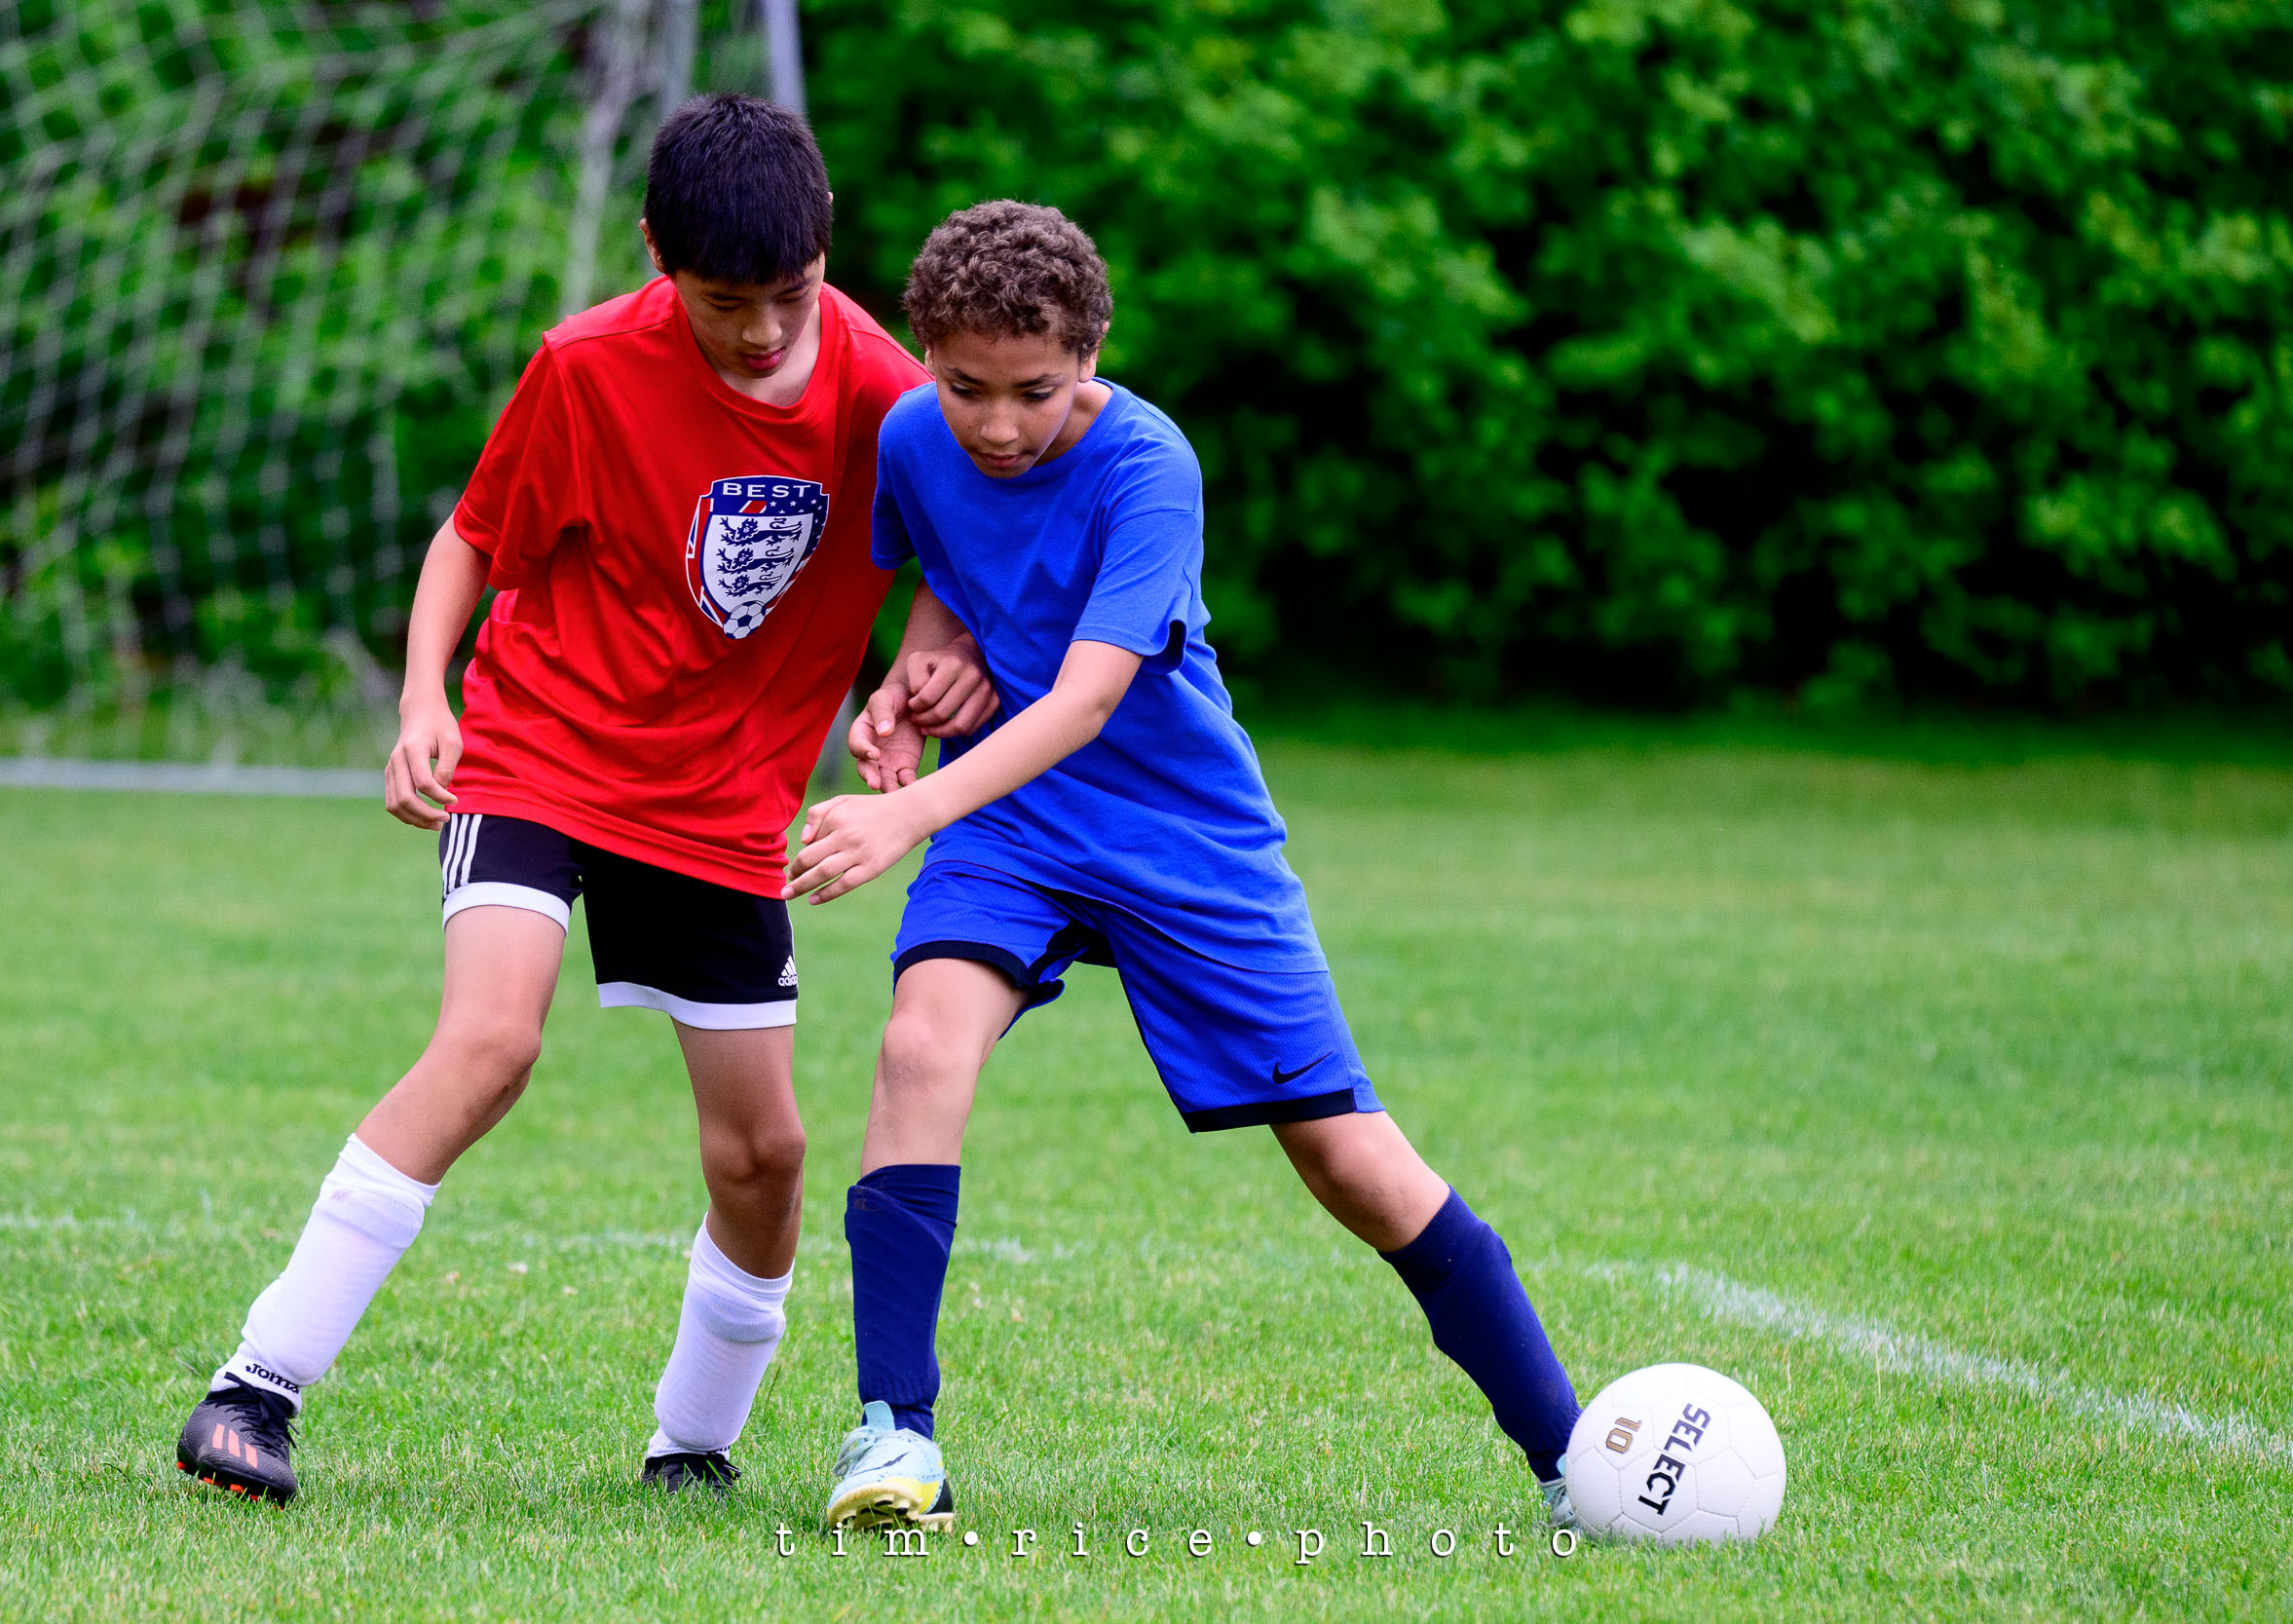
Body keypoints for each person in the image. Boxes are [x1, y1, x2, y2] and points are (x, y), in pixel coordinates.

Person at [171, 94, 996, 1505]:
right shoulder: (587, 365)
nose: (760, 331)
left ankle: (692, 1446)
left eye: (789, 293)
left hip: (723, 803)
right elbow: (471, 538)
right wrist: (424, 699)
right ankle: (255, 1389)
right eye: (723, 302)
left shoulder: (890, 396)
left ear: (827, 244)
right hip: (543, 749)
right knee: (491, 1044)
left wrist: (919, 670)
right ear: (657, 254)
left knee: (765, 1157)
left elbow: (964, 561)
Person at [786, 201, 1583, 1532]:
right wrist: (910, 685)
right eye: (966, 386)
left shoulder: (1150, 464)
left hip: (1180, 834)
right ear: (926, 358)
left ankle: (1569, 1458)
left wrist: (905, 814)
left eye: (1035, 391)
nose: (996, 424)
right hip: (1012, 823)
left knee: (1349, 1161)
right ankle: (893, 1438)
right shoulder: (913, 438)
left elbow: (1088, 697)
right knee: (919, 1048)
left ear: (1090, 357)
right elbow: (948, 582)